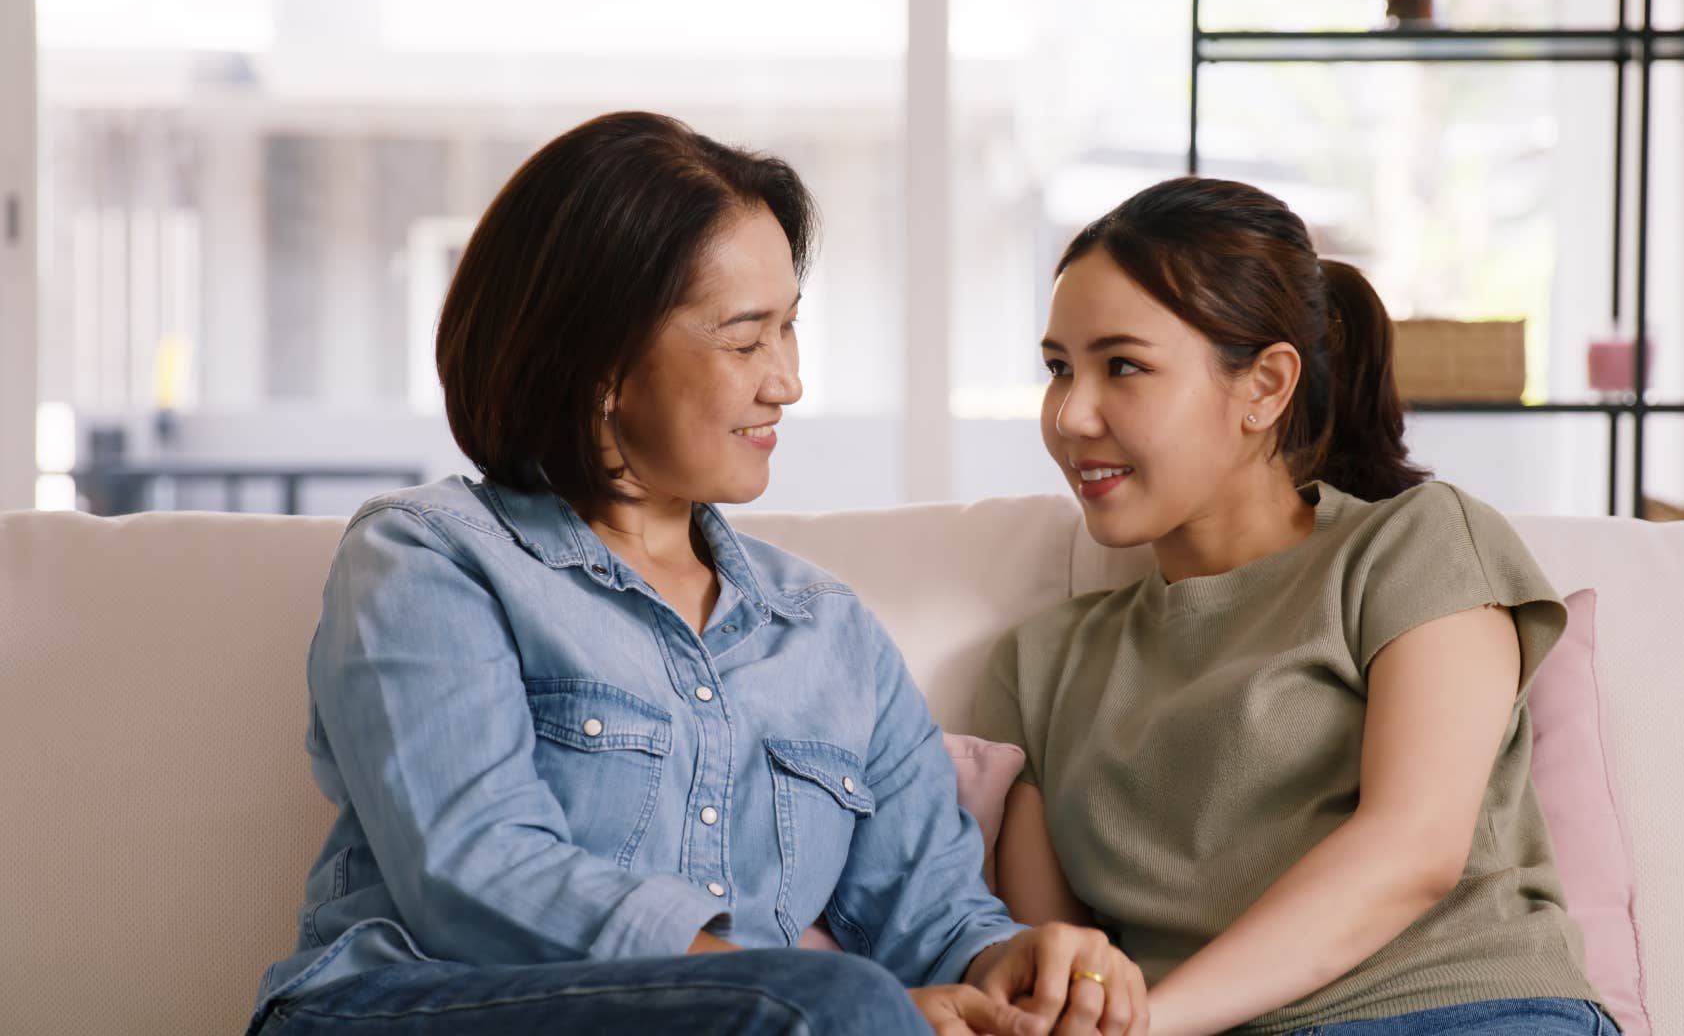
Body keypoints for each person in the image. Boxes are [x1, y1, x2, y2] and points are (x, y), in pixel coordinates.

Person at [248, 111, 1145, 1036]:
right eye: (746, 337)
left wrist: (1019, 964)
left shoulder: (828, 634)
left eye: (790, 330)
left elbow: (937, 917)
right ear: (600, 362)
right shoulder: (430, 558)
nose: (787, 381)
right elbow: (475, 873)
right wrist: (788, 996)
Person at [975, 177, 1625, 1036]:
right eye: (1059, 370)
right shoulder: (1041, 663)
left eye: (1122, 366)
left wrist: (1152, 1027)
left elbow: (1413, 849)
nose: (1071, 415)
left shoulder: (1415, 545)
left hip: (1460, 1013)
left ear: (1265, 386)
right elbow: (1062, 964)